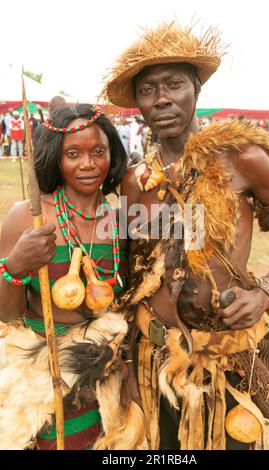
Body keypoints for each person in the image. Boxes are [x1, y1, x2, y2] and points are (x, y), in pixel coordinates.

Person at [101, 21, 269, 450]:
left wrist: (264, 294)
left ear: (197, 88)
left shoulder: (241, 158)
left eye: (174, 83)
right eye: (147, 90)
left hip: (223, 362)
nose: (162, 99)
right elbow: (134, 282)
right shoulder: (136, 181)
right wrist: (130, 369)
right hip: (154, 367)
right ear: (137, 103)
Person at [0, 104, 130, 450]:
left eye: (98, 152)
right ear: (56, 159)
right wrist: (15, 267)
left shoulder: (121, 223)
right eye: (73, 154)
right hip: (45, 376)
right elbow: (7, 313)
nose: (88, 164)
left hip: (105, 374)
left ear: (112, 154)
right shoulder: (29, 217)